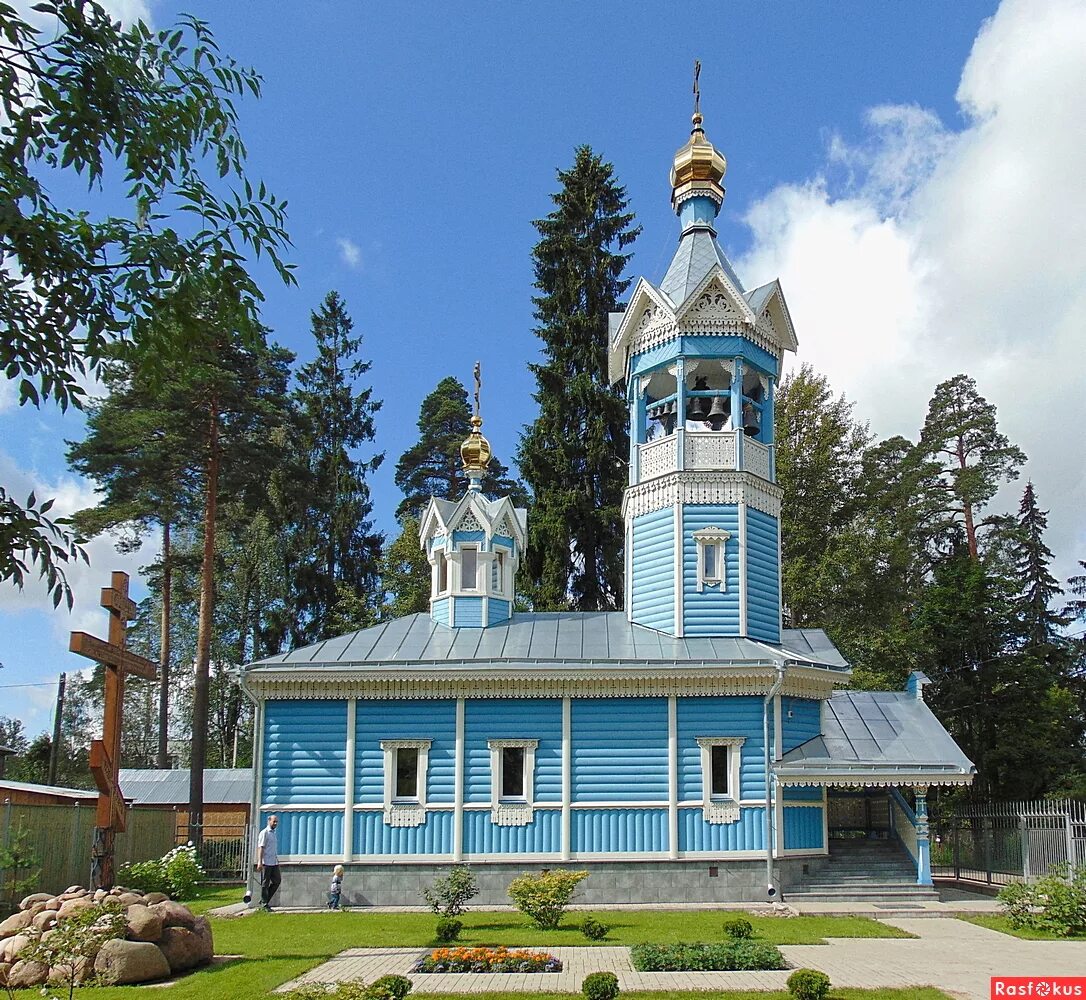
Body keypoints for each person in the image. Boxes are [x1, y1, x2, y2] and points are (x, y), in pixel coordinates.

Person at [256, 813, 281, 911]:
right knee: (265, 883)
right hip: (266, 862)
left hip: (274, 862)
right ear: (269, 821)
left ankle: (264, 900)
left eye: (276, 822)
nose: (275, 823)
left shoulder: (273, 833)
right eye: (274, 821)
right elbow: (261, 847)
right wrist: (259, 862)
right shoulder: (264, 833)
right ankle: (264, 904)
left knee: (277, 881)